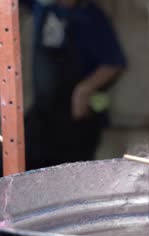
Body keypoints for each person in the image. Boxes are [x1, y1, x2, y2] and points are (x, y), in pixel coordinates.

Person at [9, 0, 126, 172]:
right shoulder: (43, 7)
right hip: (43, 113)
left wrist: (83, 90)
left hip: (75, 118)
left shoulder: (90, 17)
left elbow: (114, 63)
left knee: (66, 178)